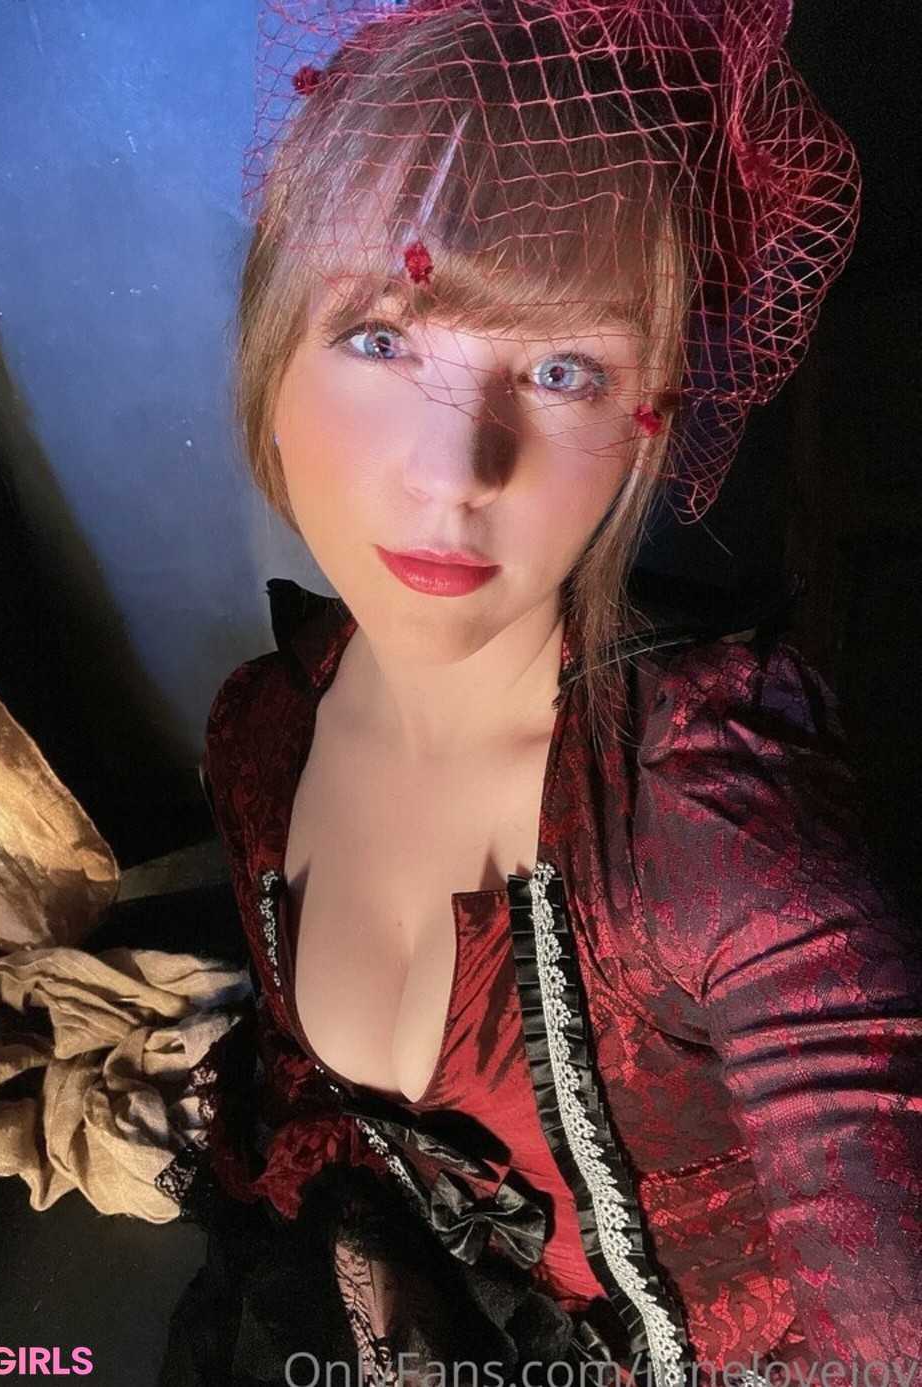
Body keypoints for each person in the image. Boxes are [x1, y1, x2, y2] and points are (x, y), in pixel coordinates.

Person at [158, 2, 921, 1382]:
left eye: (565, 369)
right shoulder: (260, 731)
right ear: (269, 365)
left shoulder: (707, 813)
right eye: (380, 337)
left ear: (649, 420)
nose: (455, 472)